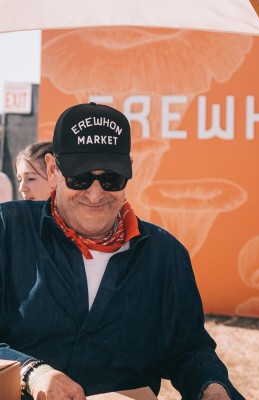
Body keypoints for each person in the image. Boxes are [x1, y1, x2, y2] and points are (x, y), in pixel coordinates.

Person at [0, 102, 244, 400]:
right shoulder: (7, 230)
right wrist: (32, 373)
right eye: (80, 178)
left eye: (111, 179)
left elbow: (188, 348)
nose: (95, 194)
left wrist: (211, 386)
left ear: (129, 170)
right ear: (52, 171)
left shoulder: (165, 254)